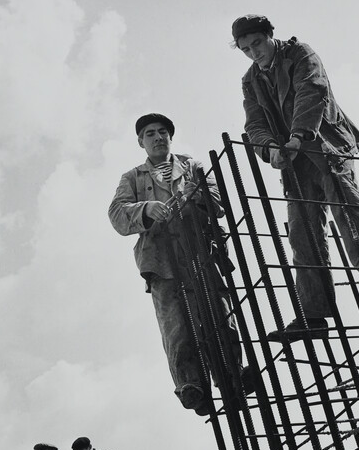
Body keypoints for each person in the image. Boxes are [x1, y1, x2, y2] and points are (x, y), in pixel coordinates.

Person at [231, 14, 359, 342]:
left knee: (344, 199)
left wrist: (298, 135)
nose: (254, 53)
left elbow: (313, 91)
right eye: (245, 49)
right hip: (294, 163)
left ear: (269, 36)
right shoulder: (251, 80)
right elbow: (254, 124)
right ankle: (314, 314)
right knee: (302, 231)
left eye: (257, 44)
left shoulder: (300, 54)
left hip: (323, 142)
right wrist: (269, 149)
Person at [108, 113, 254, 415]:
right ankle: (192, 386)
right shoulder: (133, 178)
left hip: (200, 250)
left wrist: (195, 195)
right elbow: (118, 215)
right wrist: (147, 208)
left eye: (163, 132)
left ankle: (232, 374)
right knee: (176, 326)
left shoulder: (192, 166)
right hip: (161, 259)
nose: (158, 137)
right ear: (141, 141)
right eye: (150, 133)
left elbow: (219, 200)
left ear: (170, 137)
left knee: (220, 315)